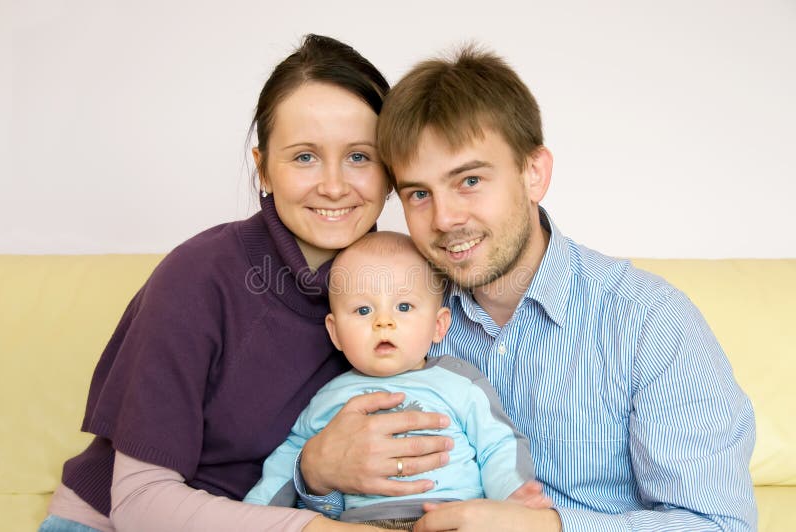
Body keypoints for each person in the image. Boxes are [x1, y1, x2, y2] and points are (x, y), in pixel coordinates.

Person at [296, 46, 757, 531]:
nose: (446, 218)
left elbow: (720, 524)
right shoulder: (390, 317)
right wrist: (317, 474)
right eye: (419, 194)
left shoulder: (649, 322)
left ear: (533, 173)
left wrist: (548, 527)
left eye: (469, 180)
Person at [39, 34, 455, 532]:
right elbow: (139, 503)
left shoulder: (397, 283)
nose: (334, 185)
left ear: (390, 171)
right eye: (304, 157)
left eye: (359, 157)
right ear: (263, 169)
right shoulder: (197, 275)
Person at [244, 231, 548, 529]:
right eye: (363, 310)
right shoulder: (329, 398)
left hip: (450, 516)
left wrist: (513, 495)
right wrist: (254, 512)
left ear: (438, 325)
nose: (383, 322)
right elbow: (289, 461)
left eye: (404, 307)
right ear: (335, 332)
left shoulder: (460, 383)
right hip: (363, 524)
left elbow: (497, 445)